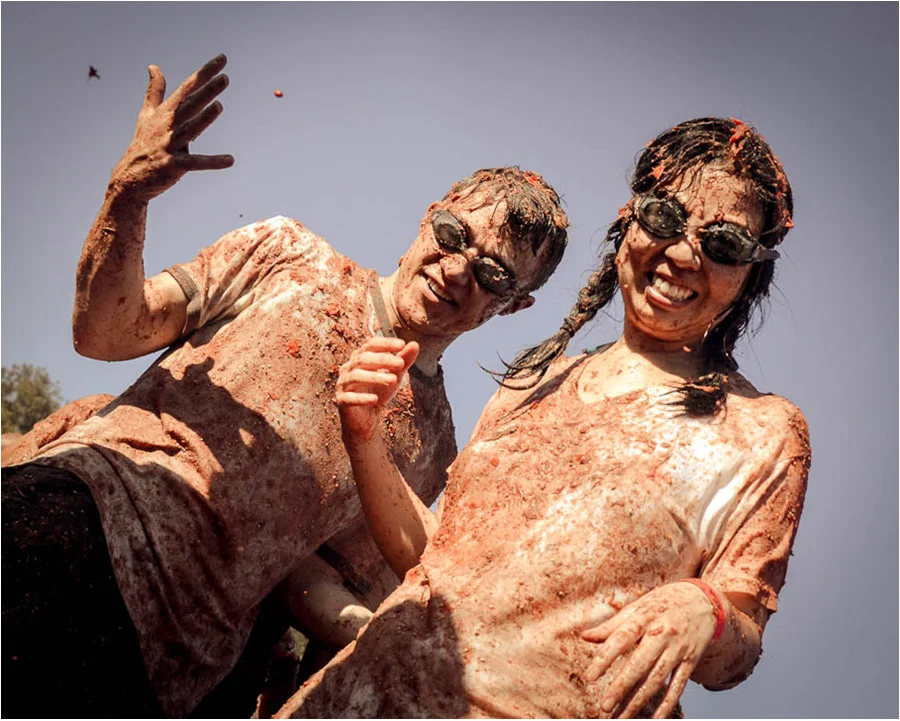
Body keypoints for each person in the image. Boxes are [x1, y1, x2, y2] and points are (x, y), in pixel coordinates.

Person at [1, 54, 569, 718]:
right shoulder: (287, 254)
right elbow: (104, 331)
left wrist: (408, 644)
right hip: (79, 521)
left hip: (167, 668)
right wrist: (126, 197)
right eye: (454, 236)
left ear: (514, 306)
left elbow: (315, 583)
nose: (456, 269)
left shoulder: (432, 448)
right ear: (430, 214)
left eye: (494, 273)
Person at [278, 117, 811, 719]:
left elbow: (735, 652)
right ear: (629, 224)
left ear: (750, 275)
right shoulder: (532, 382)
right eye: (665, 217)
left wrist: (706, 611)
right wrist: (365, 440)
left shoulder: (760, 430)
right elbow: (433, 562)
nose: (685, 254)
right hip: (356, 698)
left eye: (725, 243)